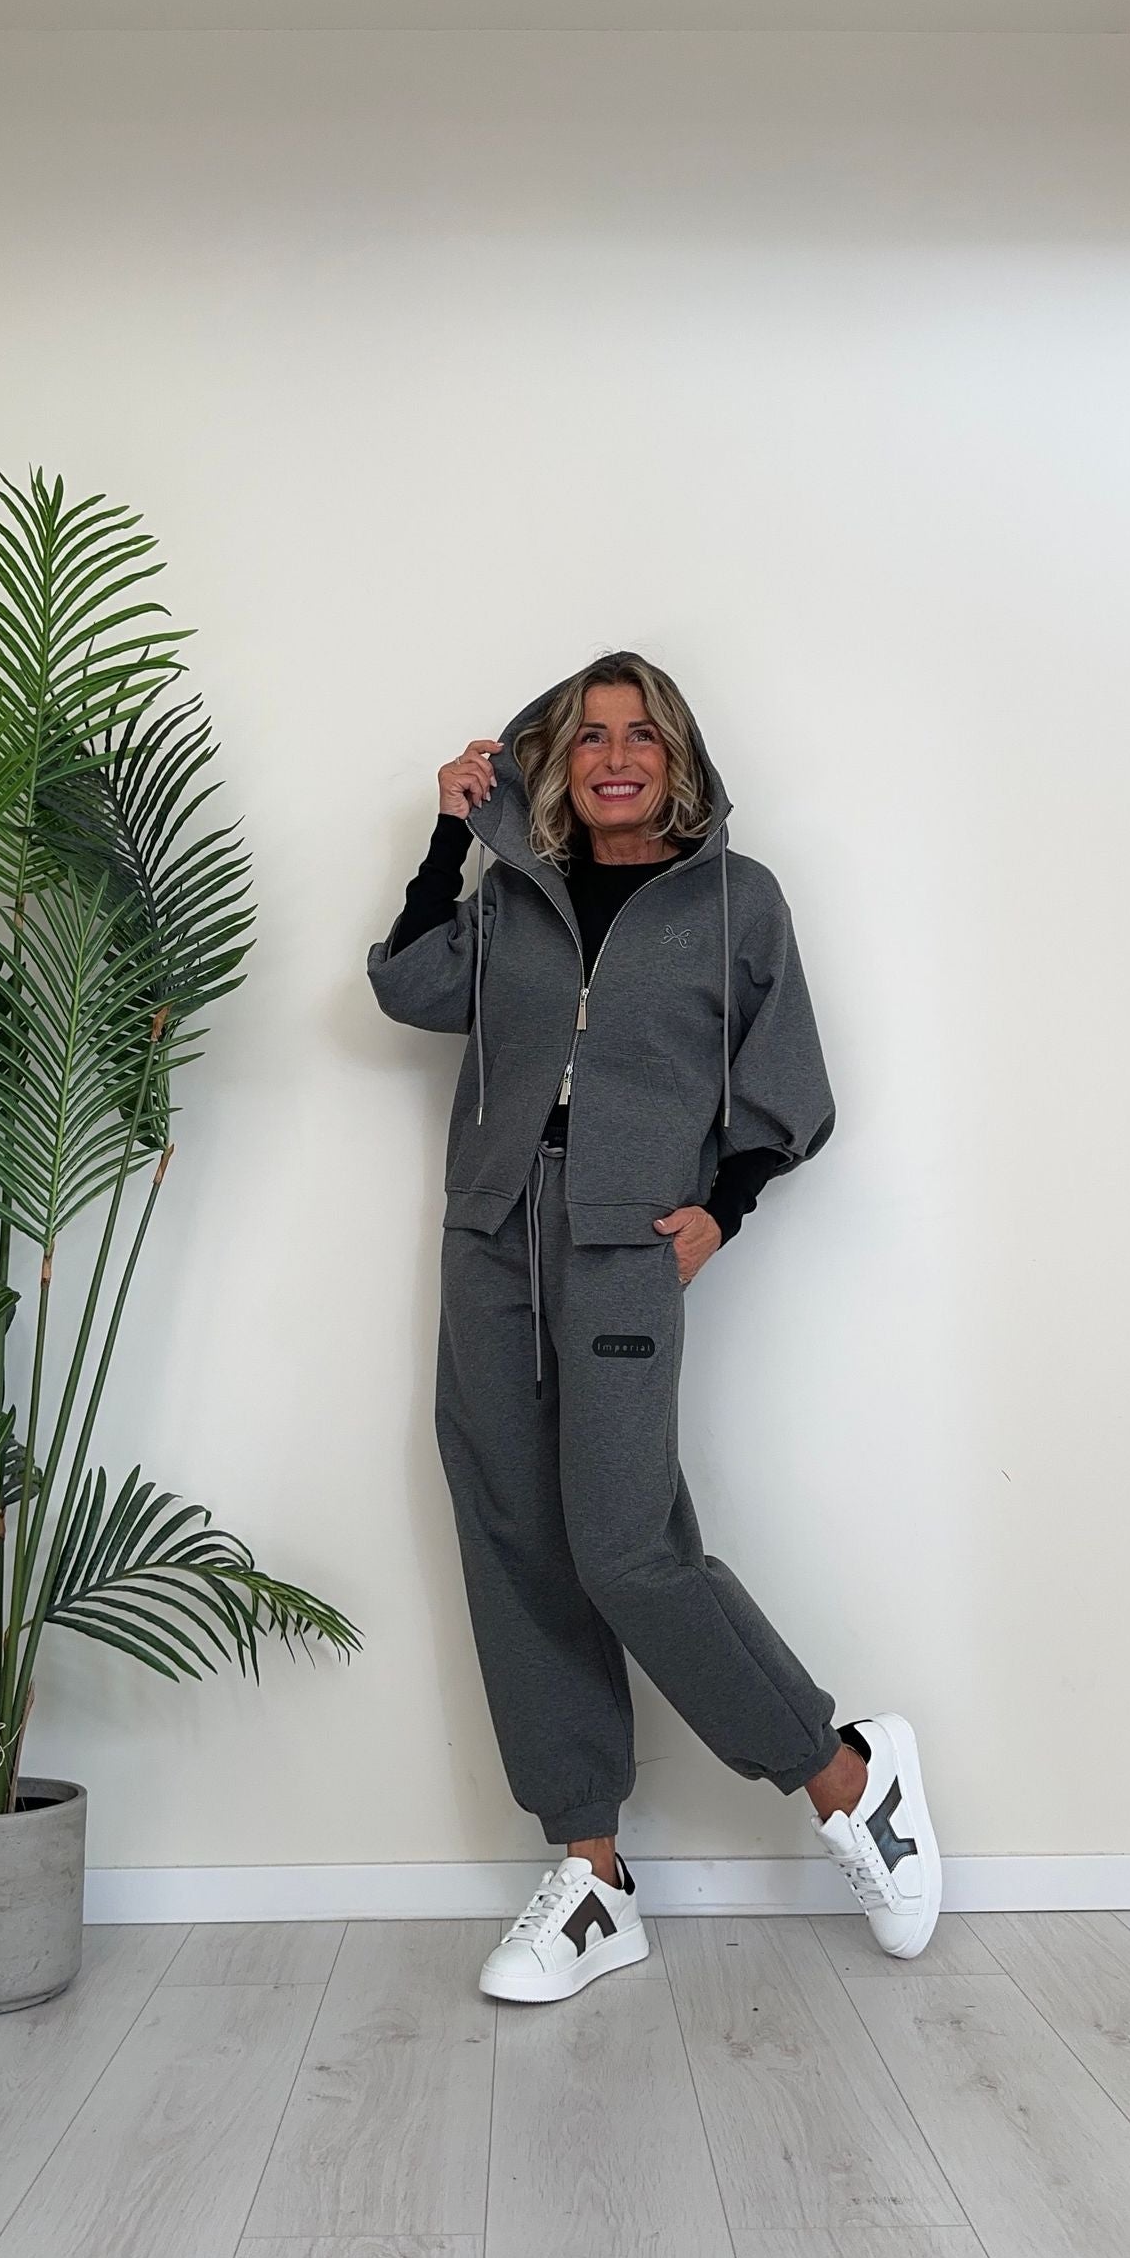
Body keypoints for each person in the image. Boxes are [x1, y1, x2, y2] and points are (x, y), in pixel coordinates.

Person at [367, 651, 941, 2001]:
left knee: (626, 1548)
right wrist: (453, 835)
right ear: (556, 762)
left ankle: (847, 1778)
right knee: (512, 1532)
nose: (616, 757)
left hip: (628, 1244)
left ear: (679, 757)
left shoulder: (738, 899)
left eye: (642, 735)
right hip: (489, 1238)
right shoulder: (513, 894)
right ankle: (593, 1878)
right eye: (590, 737)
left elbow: (790, 1085)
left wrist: (722, 1211)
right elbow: (409, 988)